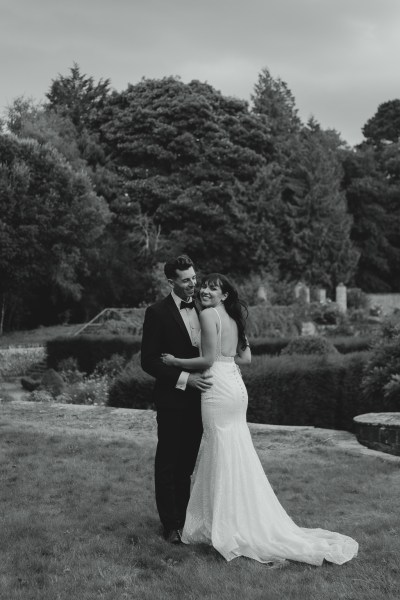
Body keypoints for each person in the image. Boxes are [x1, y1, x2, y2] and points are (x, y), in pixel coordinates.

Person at [161, 273, 359, 565]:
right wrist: (224, 359)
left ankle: (227, 524)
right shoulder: (233, 317)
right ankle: (236, 517)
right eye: (204, 286)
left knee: (220, 449)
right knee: (234, 448)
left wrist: (175, 362)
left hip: (217, 386)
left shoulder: (209, 316)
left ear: (224, 294)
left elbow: (206, 361)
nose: (204, 290)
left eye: (212, 288)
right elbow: (246, 358)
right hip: (235, 386)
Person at [141, 255, 213, 544]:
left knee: (187, 464)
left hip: (201, 402)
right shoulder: (156, 312)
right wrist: (186, 379)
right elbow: (149, 361)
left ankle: (185, 519)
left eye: (194, 278)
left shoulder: (203, 307)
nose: (193, 284)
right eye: (186, 280)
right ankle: (170, 525)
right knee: (168, 463)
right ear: (171, 281)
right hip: (172, 399)